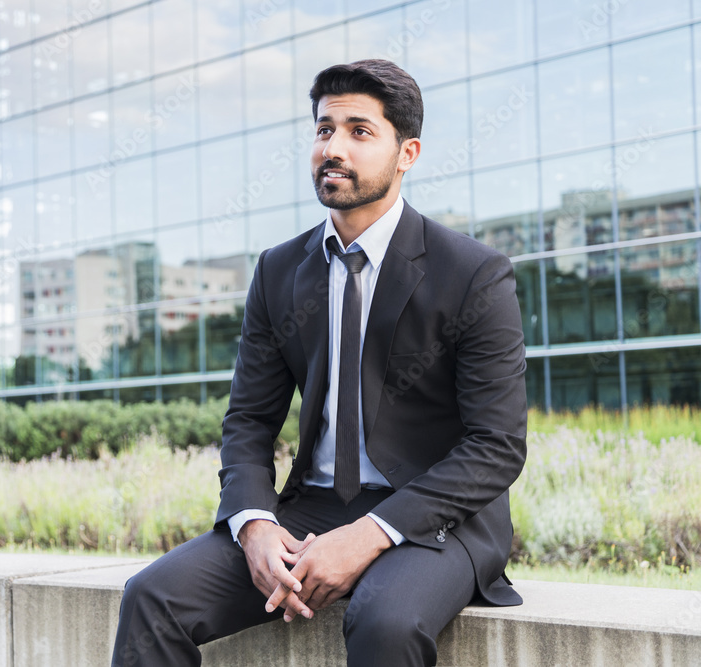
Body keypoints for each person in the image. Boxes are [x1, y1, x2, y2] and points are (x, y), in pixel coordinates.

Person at [111, 59, 527, 667]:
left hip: (437, 517)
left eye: (359, 131)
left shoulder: (472, 273)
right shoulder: (279, 271)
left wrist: (367, 536)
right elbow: (249, 422)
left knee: (385, 622)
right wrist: (253, 522)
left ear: (406, 152)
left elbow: (496, 445)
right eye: (324, 129)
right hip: (313, 505)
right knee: (151, 598)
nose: (333, 147)